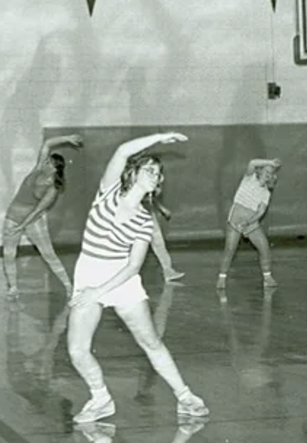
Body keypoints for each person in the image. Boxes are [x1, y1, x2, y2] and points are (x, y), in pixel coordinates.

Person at [67, 132, 208, 423]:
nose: (155, 175)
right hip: (89, 272)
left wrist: (99, 292)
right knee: (77, 349)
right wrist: (160, 137)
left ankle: (184, 396)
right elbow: (121, 150)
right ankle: (100, 398)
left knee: (150, 341)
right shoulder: (108, 191)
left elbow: (133, 266)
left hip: (122, 280)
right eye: (150, 169)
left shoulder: (145, 221)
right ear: (134, 172)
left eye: (158, 173)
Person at [2, 133, 82, 296]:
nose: (44, 162)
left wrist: (21, 226)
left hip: (32, 221)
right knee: (9, 253)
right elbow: (47, 144)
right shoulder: (38, 169)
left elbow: (37, 210)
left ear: (54, 168)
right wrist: (66, 139)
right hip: (12, 217)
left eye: (48, 162)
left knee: (48, 254)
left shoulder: (52, 189)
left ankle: (69, 287)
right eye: (45, 160)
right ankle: (13, 288)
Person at [217, 158, 281, 290]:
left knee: (264, 248)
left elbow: (260, 212)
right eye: (266, 171)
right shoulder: (249, 179)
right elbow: (252, 162)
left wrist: (248, 222)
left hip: (250, 221)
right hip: (236, 217)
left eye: (270, 173)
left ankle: (267, 278)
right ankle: (221, 278)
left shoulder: (266, 193)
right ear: (260, 171)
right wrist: (271, 162)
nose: (267, 174)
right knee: (230, 249)